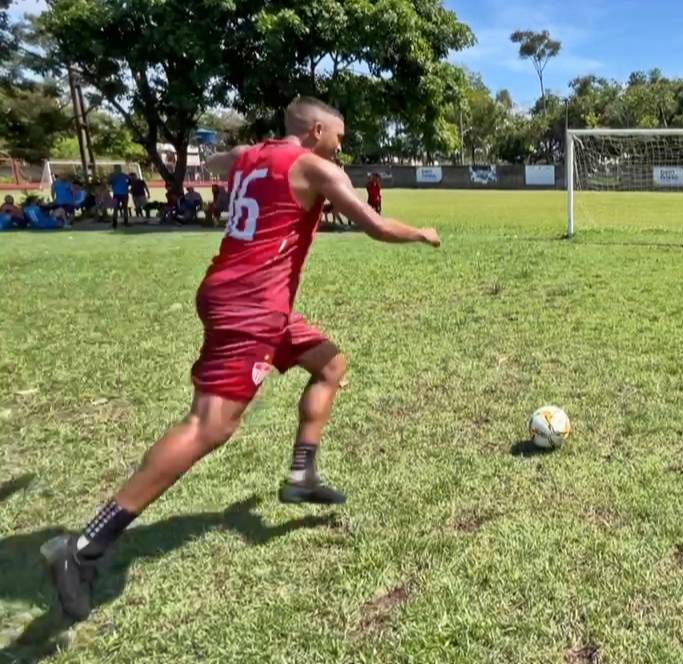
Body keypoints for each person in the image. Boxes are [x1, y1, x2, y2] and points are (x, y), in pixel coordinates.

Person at [42, 96, 441, 622]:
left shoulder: (254, 155)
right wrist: (422, 233)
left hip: (251, 299)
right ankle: (83, 548)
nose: (341, 144)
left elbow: (220, 162)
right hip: (250, 305)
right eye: (338, 135)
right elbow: (374, 224)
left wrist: (236, 162)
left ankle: (301, 476)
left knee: (330, 366)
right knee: (210, 425)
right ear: (317, 129)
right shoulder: (317, 168)